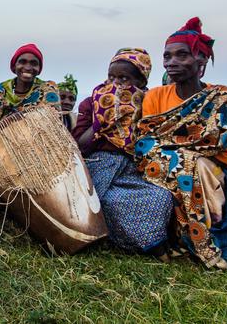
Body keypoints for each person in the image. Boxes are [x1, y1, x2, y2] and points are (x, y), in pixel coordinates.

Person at [136, 17, 227, 269]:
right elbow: (146, 145)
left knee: (197, 164)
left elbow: (226, 154)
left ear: (201, 60)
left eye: (182, 55)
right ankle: (196, 240)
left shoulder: (221, 97)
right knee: (188, 162)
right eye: (167, 56)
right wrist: (187, 152)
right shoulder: (155, 96)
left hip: (215, 177)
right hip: (164, 172)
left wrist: (180, 153)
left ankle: (206, 238)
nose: (172, 62)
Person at [72, 48, 173, 256]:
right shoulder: (92, 102)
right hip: (98, 165)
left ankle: (151, 242)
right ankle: (128, 242)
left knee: (161, 197)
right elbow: (79, 144)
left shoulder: (148, 104)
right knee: (109, 201)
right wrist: (100, 122)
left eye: (124, 78)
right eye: (111, 77)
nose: (115, 83)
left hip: (131, 169)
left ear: (141, 82)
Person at [0, 43, 61, 126]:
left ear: (39, 69)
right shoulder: (0, 90)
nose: (28, 68)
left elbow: (53, 121)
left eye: (34, 63)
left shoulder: (48, 89)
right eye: (22, 62)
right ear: (14, 66)